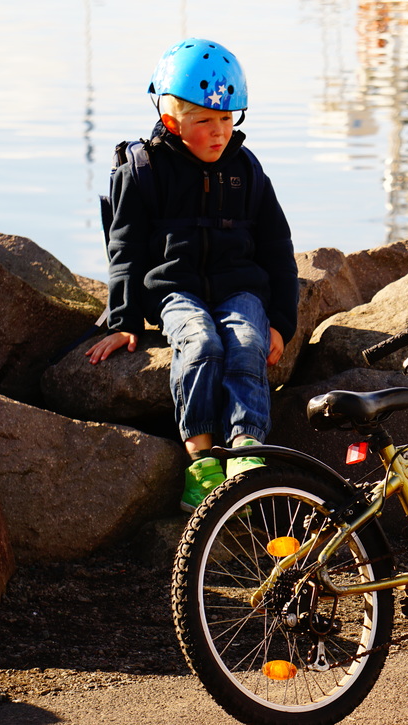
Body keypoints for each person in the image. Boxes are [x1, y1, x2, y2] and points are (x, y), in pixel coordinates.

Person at [85, 38, 299, 512]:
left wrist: (282, 321)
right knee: (200, 345)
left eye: (227, 119)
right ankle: (202, 459)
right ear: (170, 121)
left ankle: (246, 448)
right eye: (203, 121)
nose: (219, 132)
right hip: (175, 290)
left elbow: (278, 249)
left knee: (246, 343)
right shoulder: (141, 171)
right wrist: (123, 321)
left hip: (239, 286)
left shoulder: (246, 170)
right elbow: (124, 249)